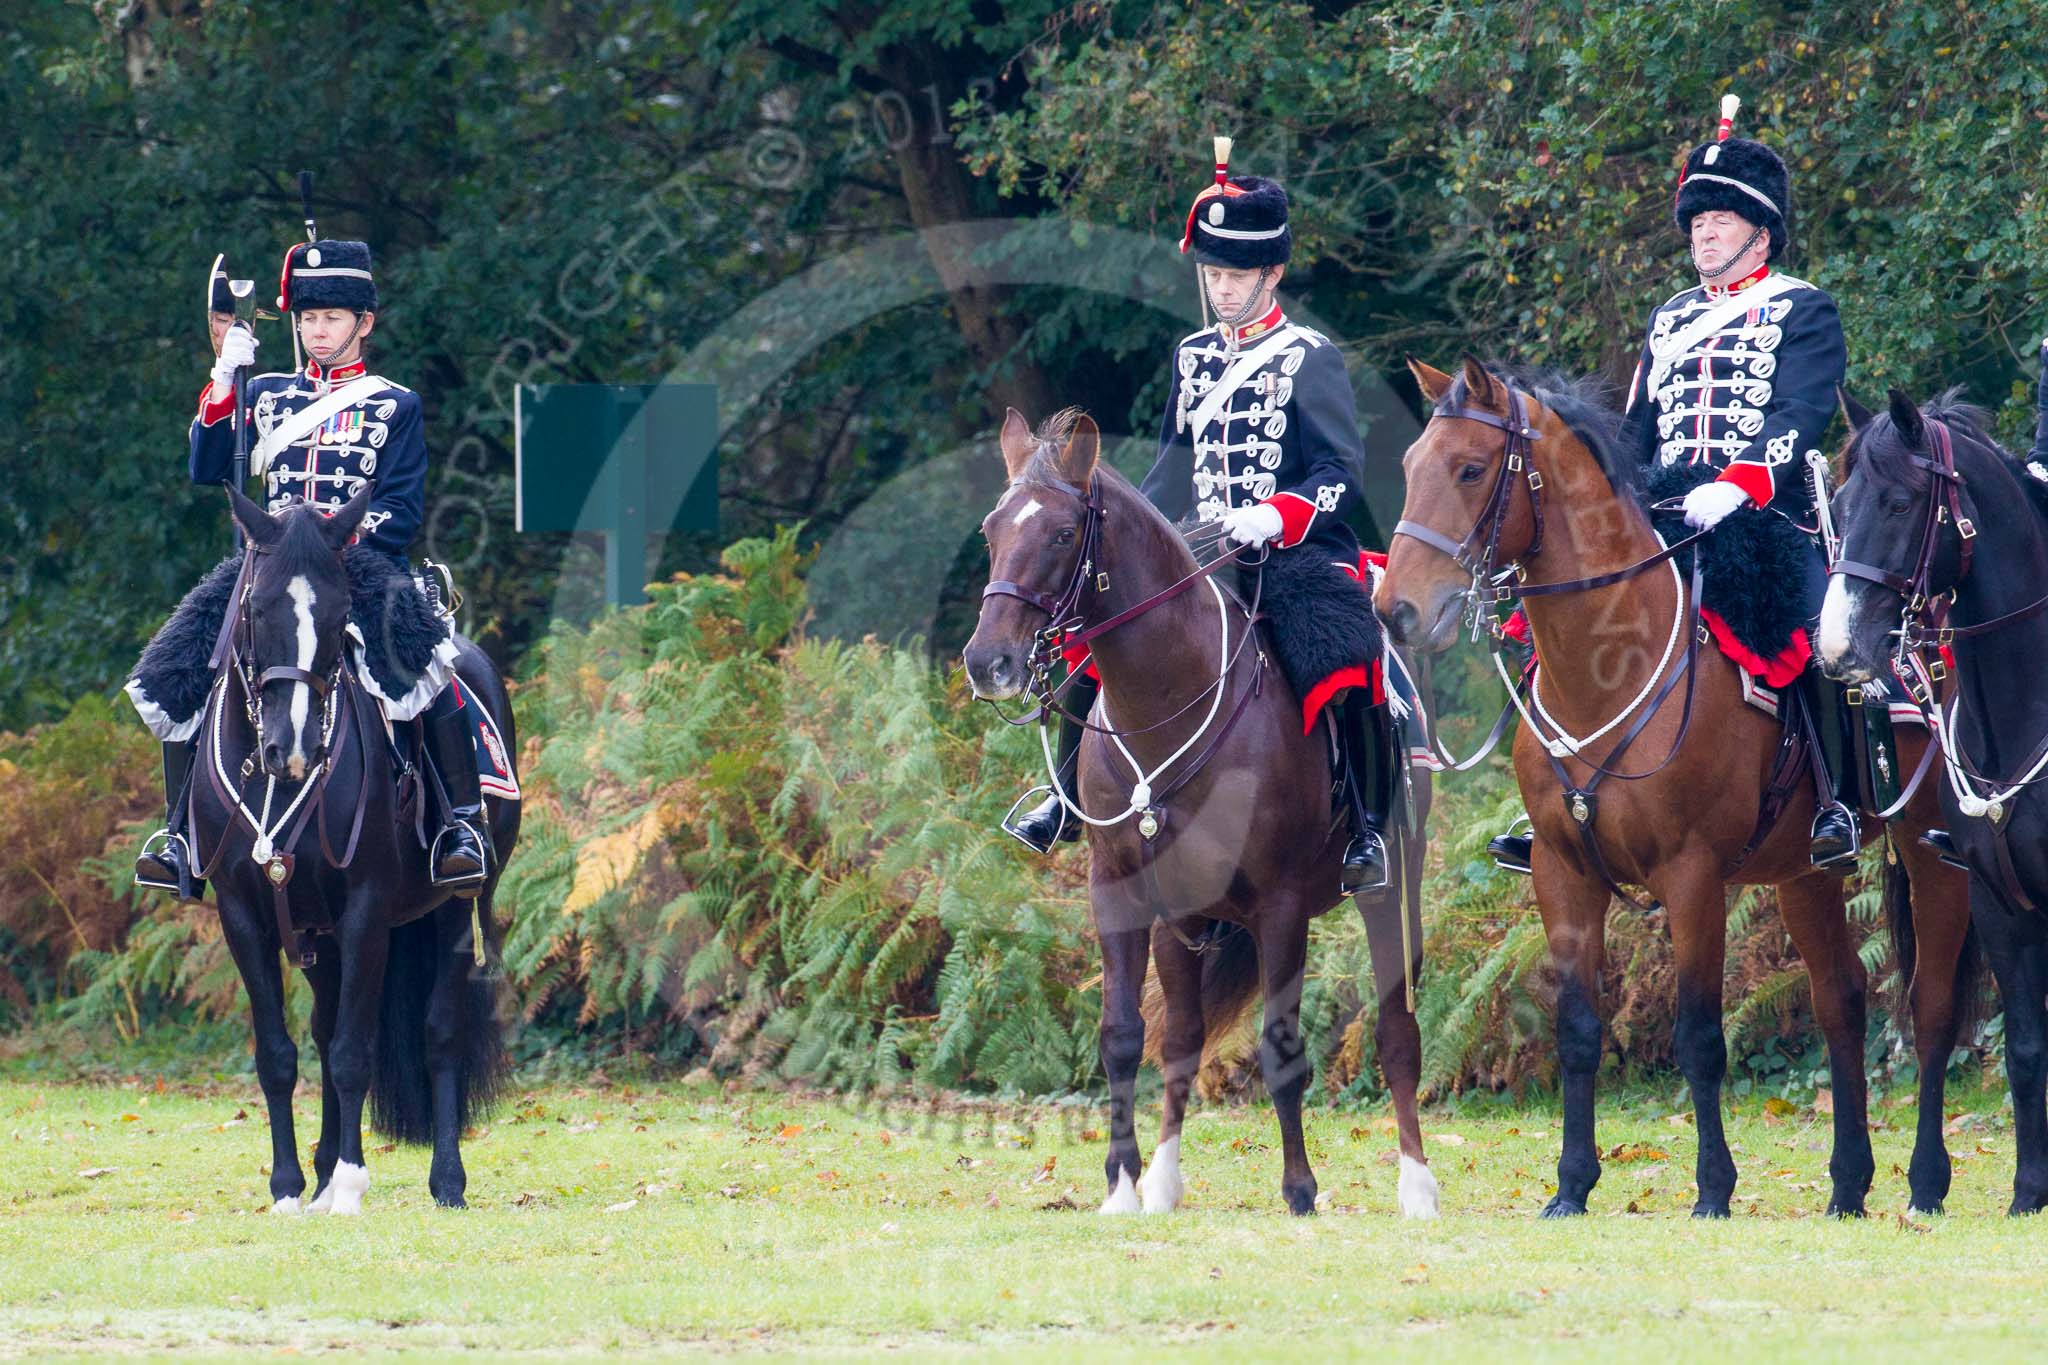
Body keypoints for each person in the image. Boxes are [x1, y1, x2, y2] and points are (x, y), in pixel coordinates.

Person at [1002, 138, 1395, 895]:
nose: (1221, 289)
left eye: (1236, 275)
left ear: (1272, 273)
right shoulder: (1193, 359)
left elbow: (1341, 475)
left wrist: (1276, 517)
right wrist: (1132, 532)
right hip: (1199, 549)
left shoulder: (1309, 356)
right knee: (1097, 635)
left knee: (1344, 649)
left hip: (1289, 550)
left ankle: (1367, 829)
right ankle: (1064, 799)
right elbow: (1168, 471)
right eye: (1212, 273)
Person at [1489, 95, 1858, 874]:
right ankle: (1548, 804)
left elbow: (1801, 412)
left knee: (1818, 634)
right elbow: (1636, 432)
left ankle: (1836, 802)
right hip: (1663, 506)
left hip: (1763, 513)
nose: (1704, 232)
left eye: (1721, 219)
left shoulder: (1802, 308)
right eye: (1696, 222)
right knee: (1557, 618)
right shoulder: (1670, 318)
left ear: (1760, 232)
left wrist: (1742, 483)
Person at [129, 237, 494, 899]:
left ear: (364, 323)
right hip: (267, 564)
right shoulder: (265, 394)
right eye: (306, 319)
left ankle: (458, 827)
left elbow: (401, 508)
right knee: (177, 665)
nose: (317, 330)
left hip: (360, 564)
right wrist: (222, 380)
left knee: (427, 658)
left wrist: (333, 547)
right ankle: (180, 835)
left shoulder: (396, 404)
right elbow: (207, 469)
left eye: (330, 318)